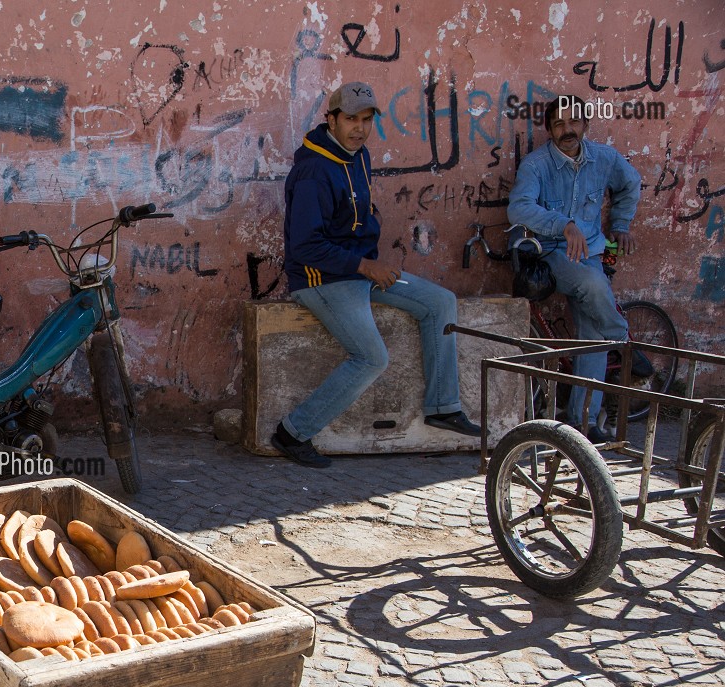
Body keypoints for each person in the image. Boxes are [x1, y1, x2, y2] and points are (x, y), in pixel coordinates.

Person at [274, 82, 480, 469]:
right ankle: (293, 432)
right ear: (331, 119)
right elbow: (304, 247)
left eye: (367, 120)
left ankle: (443, 406)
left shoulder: (359, 155)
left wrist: (369, 240)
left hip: (359, 273)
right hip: (321, 281)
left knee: (440, 303)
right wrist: (366, 266)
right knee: (371, 358)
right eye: (351, 119)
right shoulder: (313, 171)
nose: (360, 128)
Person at [508, 94, 642, 443]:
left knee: (592, 334)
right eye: (559, 124)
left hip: (591, 251)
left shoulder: (604, 158)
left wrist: (621, 224)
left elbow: (630, 183)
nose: (567, 130)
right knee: (592, 284)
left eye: (573, 122)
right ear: (549, 129)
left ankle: (583, 423)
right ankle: (624, 341)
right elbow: (519, 208)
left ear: (585, 124)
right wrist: (563, 224)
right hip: (551, 253)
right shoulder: (536, 165)